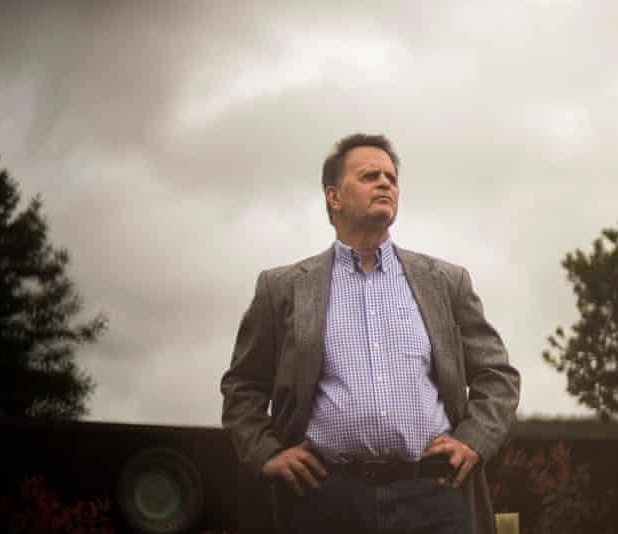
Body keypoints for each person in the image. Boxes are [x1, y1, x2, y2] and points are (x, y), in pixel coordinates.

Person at [220, 133, 520, 534]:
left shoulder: (446, 282)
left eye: (391, 178)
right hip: (326, 498)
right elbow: (243, 385)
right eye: (369, 176)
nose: (384, 183)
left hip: (433, 493)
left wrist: (474, 440)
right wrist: (266, 452)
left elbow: (497, 375)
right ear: (334, 197)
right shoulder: (283, 288)